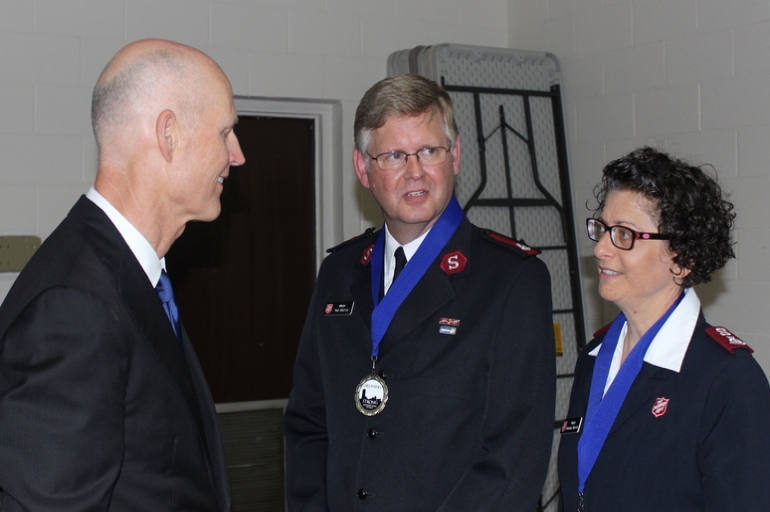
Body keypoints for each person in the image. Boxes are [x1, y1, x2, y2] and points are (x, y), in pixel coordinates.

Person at [284, 74, 555, 512]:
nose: (415, 172)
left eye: (430, 151)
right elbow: (309, 424)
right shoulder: (338, 272)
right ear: (363, 168)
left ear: (457, 155)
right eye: (393, 155)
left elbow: (513, 458)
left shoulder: (510, 280)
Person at [0, 39, 245, 511]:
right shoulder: (76, 307)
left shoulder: (132, 277)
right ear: (168, 134)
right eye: (225, 132)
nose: (236, 155)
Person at [558, 147, 770, 511]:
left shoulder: (726, 379)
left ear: (683, 258)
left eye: (624, 234)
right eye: (603, 229)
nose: (601, 250)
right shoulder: (594, 358)